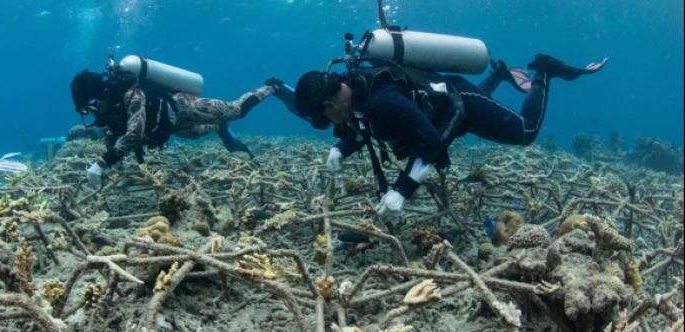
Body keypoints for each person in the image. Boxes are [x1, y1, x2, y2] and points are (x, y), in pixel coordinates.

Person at [276, 53, 606, 218]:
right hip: (443, 107)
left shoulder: (381, 101)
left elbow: (430, 142)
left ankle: (543, 71)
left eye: (323, 116)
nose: (329, 122)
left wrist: (402, 190)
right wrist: (340, 149)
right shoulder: (356, 91)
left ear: (329, 103)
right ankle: (498, 74)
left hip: (463, 105)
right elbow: (362, 127)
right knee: (471, 105)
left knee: (526, 132)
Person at [70, 66, 277, 185]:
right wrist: (117, 171)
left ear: (103, 94)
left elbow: (134, 134)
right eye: (86, 112)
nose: (92, 114)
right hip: (172, 126)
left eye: (91, 107)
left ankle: (272, 87)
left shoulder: (132, 95)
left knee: (236, 111)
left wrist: (101, 163)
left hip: (183, 107)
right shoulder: (107, 114)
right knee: (195, 134)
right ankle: (219, 127)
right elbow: (112, 141)